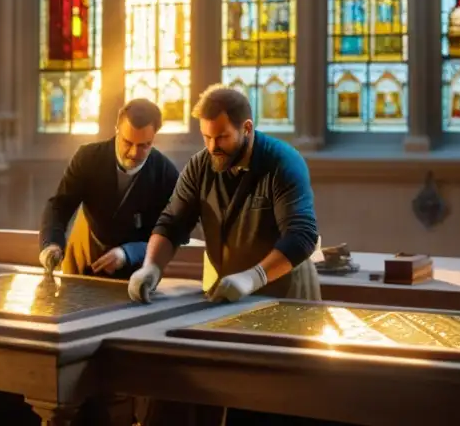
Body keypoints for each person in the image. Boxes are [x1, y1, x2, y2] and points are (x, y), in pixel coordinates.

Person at [129, 85, 324, 426]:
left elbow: (302, 236)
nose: (211, 147)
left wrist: (254, 277)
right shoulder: (201, 165)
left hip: (287, 304)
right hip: (229, 301)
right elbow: (172, 222)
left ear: (247, 128)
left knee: (273, 408)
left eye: (221, 138)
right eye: (205, 137)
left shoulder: (283, 162)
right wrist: (151, 267)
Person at [38, 98, 179, 279]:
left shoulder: (166, 174)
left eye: (144, 145)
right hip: (83, 254)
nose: (135, 153)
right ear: (116, 131)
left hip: (135, 271)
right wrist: (51, 244)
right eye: (128, 142)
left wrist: (128, 253)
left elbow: (169, 237)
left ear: (154, 138)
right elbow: (59, 205)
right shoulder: (87, 158)